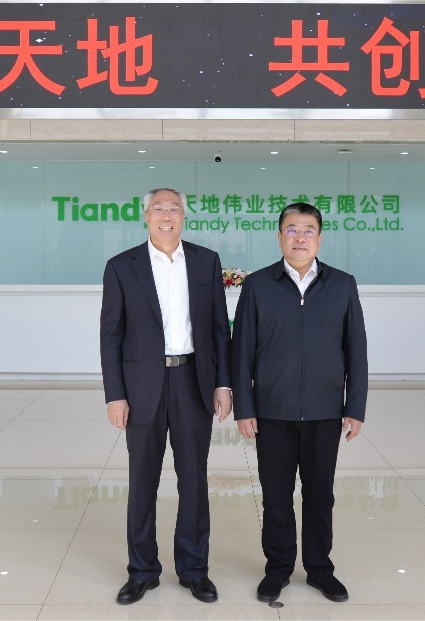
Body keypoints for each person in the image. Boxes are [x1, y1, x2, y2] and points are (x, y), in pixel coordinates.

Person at [100, 188, 233, 605]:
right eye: (158, 208)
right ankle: (142, 571)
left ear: (183, 217)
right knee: (143, 481)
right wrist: (115, 395)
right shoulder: (122, 266)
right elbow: (111, 335)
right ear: (145, 216)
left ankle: (194, 569)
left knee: (194, 479)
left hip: (193, 380)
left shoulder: (206, 261)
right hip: (142, 387)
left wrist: (223, 384)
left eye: (174, 208)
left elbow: (219, 328)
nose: (166, 214)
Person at [232, 202, 367, 603]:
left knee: (320, 495)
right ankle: (278, 568)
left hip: (325, 411)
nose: (300, 237)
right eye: (292, 230)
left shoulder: (342, 284)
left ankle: (320, 569)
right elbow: (242, 351)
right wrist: (245, 407)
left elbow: (356, 350)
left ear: (319, 239)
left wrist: (355, 407)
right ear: (279, 237)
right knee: (276, 496)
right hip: (272, 411)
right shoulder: (258, 285)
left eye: (308, 230)